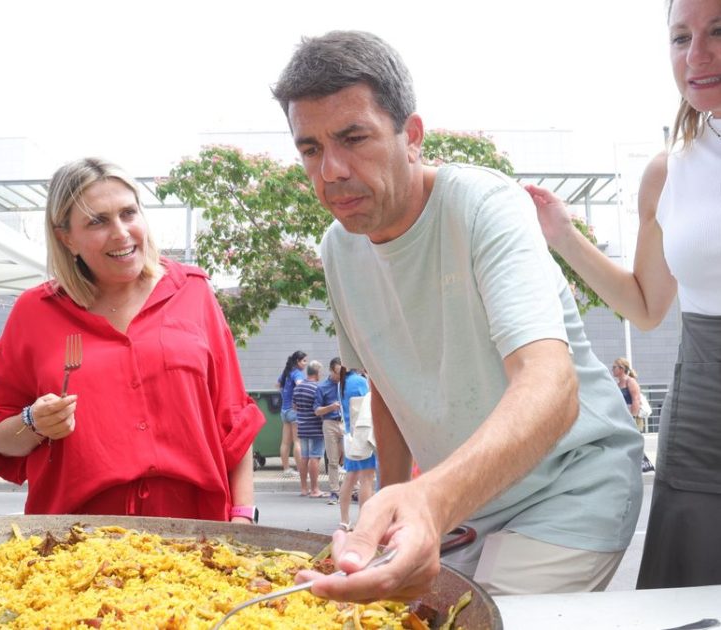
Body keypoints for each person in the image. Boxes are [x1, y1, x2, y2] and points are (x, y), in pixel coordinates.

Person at [273, 31, 643, 599]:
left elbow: (552, 382)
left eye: (354, 137)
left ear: (412, 136)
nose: (331, 171)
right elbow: (387, 392)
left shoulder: (484, 205)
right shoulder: (338, 247)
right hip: (465, 506)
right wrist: (388, 520)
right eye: (310, 149)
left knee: (472, 615)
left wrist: (428, 500)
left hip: (570, 486)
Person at [526, 0, 721, 589]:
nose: (697, 55)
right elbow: (645, 305)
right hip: (703, 414)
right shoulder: (670, 170)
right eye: (680, 37)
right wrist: (564, 235)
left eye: (718, 31)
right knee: (686, 595)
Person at [0, 157, 264, 524]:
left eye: (128, 213)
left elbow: (234, 420)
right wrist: (34, 422)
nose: (121, 233)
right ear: (66, 237)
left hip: (196, 531)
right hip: (73, 540)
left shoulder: (194, 293)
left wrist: (242, 517)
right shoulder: (34, 312)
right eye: (97, 221)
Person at [337, 366, 376, 531]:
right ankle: (364, 521)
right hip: (363, 434)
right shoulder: (359, 381)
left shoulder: (344, 381)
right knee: (367, 479)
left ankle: (344, 520)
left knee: (350, 478)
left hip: (350, 435)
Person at [293, 360, 328, 497]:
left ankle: (303, 488)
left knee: (304, 457)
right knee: (315, 457)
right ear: (317, 372)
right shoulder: (316, 388)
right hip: (315, 427)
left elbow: (295, 406)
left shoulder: (298, 387)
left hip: (302, 426)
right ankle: (315, 489)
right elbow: (318, 409)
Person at [314, 357, 345, 505]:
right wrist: (331, 407)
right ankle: (335, 491)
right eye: (338, 373)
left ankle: (355, 490)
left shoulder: (346, 384)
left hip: (345, 422)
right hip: (330, 423)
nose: (341, 376)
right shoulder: (322, 387)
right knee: (332, 460)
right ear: (331, 371)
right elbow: (317, 411)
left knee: (351, 457)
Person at [277, 351, 307, 478]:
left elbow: (278, 385)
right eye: (304, 361)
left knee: (285, 442)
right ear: (297, 362)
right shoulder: (297, 373)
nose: (306, 363)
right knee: (297, 442)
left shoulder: (286, 373)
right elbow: (300, 384)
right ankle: (302, 471)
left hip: (284, 411)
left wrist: (285, 395)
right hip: (294, 411)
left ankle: (286, 470)